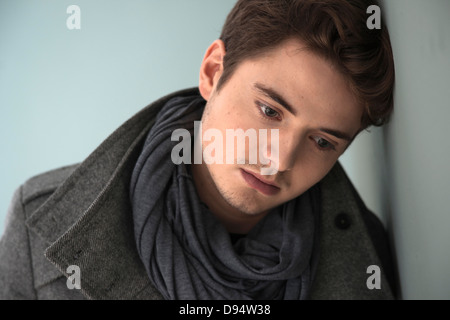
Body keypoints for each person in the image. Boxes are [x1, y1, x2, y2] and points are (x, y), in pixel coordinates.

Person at [0, 0, 396, 300]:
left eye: (322, 141)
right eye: (269, 111)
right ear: (212, 72)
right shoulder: (39, 219)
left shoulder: (365, 255)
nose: (278, 161)